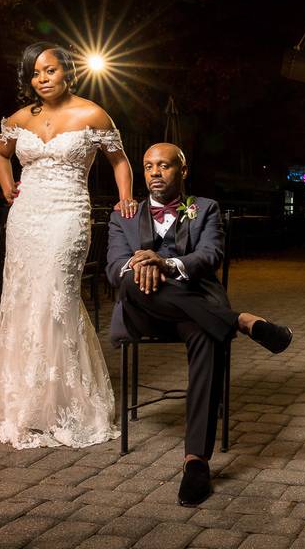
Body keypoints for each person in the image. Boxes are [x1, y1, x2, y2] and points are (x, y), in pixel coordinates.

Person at [0, 42, 138, 449]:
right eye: (35, 74)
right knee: (23, 298)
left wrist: (125, 196)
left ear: (67, 71)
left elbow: (119, 159)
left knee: (58, 295)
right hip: (26, 217)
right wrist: (7, 187)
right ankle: (24, 400)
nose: (42, 79)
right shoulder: (20, 118)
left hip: (67, 214)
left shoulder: (92, 113)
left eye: (50, 70)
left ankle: (64, 401)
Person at [106, 142, 292, 506]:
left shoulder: (204, 208)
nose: (154, 173)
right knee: (130, 279)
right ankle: (240, 321)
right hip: (144, 310)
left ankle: (196, 462)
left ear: (183, 171)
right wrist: (140, 265)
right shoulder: (123, 215)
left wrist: (166, 263)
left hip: (193, 310)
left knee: (208, 336)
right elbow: (115, 267)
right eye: (147, 167)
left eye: (163, 166)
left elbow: (210, 256)